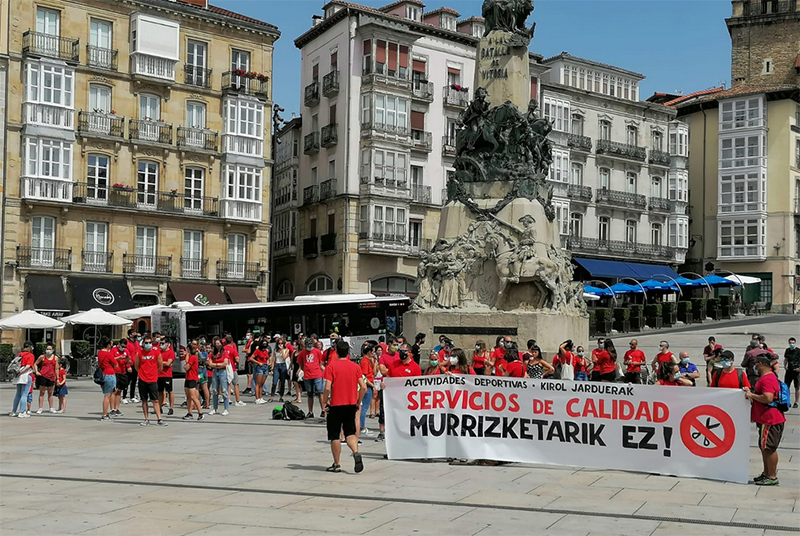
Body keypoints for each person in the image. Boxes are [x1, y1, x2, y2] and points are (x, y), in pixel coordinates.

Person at [322, 339, 367, 473]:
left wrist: (325, 401)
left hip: (335, 405)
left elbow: (328, 388)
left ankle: (337, 464)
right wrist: (358, 401)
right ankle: (355, 451)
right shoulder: (355, 367)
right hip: (350, 404)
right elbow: (363, 387)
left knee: (335, 435)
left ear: (336, 351)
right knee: (350, 432)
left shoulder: (331, 367)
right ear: (348, 352)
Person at [746, 355, 786, 486]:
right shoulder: (766, 378)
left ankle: (772, 476)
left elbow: (768, 398)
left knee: (769, 448)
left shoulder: (767, 379)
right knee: (764, 447)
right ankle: (766, 473)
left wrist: (752, 395)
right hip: (765, 418)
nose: (754, 367)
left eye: (756, 364)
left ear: (761, 364)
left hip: (770, 419)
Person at [136, 335, 166, 426]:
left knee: (155, 400)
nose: (148, 344)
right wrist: (142, 373)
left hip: (153, 379)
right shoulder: (139, 353)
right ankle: (146, 419)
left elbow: (160, 366)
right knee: (144, 400)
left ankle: (159, 418)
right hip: (142, 379)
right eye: (146, 343)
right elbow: (136, 366)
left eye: (150, 343)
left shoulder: (156, 353)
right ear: (143, 343)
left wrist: (155, 374)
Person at [298, 337, 325, 418]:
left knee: (320, 392)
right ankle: (310, 411)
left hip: (317, 374)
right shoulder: (302, 353)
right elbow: (301, 364)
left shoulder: (317, 352)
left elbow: (321, 362)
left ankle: (323, 410)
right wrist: (305, 370)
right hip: (308, 375)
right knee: (310, 394)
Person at [10, 342, 35, 418]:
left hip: (18, 376)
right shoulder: (30, 355)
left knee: (18, 394)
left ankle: (14, 411)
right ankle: (22, 412)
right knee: (24, 394)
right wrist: (21, 372)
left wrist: (18, 373)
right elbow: (28, 366)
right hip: (26, 375)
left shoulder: (20, 354)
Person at [33, 343, 59, 414]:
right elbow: (35, 364)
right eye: (47, 349)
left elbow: (56, 368)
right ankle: (40, 408)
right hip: (43, 376)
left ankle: (51, 407)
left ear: (53, 350)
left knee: (50, 393)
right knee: (42, 392)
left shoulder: (55, 358)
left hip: (51, 376)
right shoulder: (42, 357)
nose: (48, 351)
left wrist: (57, 378)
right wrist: (37, 371)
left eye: (50, 349)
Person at [182, 340, 204, 421]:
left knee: (193, 397)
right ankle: (189, 413)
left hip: (192, 378)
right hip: (188, 378)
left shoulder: (193, 357)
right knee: (188, 397)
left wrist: (187, 355)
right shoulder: (191, 357)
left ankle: (200, 413)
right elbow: (186, 362)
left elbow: (186, 367)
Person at [208, 337, 230, 416]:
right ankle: (215, 408)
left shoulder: (225, 352)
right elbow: (209, 363)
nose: (217, 345)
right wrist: (217, 365)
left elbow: (225, 363)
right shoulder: (213, 353)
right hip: (215, 372)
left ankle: (226, 408)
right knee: (214, 390)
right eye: (216, 344)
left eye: (218, 343)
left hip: (222, 372)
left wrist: (216, 365)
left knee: (224, 390)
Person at [97, 337, 117, 421]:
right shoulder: (109, 354)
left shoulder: (100, 352)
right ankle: (104, 414)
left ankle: (106, 413)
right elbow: (115, 364)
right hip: (110, 374)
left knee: (107, 394)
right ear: (108, 345)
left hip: (103, 374)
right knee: (107, 396)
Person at [359, 342, 376, 435]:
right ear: (369, 352)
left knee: (364, 407)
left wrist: (374, 362)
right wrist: (372, 385)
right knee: (364, 408)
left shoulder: (368, 360)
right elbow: (363, 376)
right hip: (367, 386)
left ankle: (362, 426)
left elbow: (373, 371)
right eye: (373, 351)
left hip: (369, 384)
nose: (374, 353)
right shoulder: (365, 362)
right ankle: (361, 427)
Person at [224, 334, 246, 407]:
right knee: (236, 384)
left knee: (228, 384)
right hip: (232, 369)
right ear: (232, 342)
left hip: (224, 369)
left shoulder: (223, 349)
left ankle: (228, 399)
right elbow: (237, 359)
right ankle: (237, 400)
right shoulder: (233, 349)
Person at [157, 335, 175, 416]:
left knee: (169, 391)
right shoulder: (159, 352)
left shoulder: (171, 352)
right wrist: (163, 363)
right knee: (160, 392)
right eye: (160, 343)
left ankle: (171, 408)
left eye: (163, 343)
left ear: (167, 344)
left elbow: (168, 363)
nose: (161, 345)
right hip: (159, 374)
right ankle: (159, 407)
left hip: (167, 375)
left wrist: (160, 362)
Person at [111, 339, 130, 416]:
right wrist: (119, 357)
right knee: (114, 391)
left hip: (123, 372)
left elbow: (128, 360)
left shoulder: (126, 351)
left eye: (124, 347)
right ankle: (112, 409)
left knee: (119, 391)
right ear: (119, 344)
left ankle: (117, 408)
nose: (123, 348)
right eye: (122, 346)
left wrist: (128, 365)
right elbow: (110, 359)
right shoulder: (113, 350)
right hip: (115, 372)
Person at [249, 338, 270, 404]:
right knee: (258, 383)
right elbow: (251, 358)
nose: (264, 348)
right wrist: (258, 362)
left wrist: (269, 362)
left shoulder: (266, 351)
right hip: (260, 367)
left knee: (262, 384)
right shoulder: (257, 351)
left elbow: (267, 357)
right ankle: (257, 398)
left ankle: (260, 397)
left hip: (266, 367)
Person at [269, 337, 290, 402]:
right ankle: (272, 396)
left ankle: (281, 396)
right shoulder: (275, 350)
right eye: (279, 343)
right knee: (274, 382)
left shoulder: (286, 350)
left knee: (282, 382)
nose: (280, 345)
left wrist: (282, 351)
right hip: (277, 365)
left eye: (281, 343)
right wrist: (271, 369)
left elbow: (284, 357)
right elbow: (273, 359)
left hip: (283, 365)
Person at [125, 329, 141, 403]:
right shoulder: (127, 342)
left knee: (134, 381)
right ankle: (124, 396)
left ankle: (132, 396)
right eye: (133, 333)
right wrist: (128, 365)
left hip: (136, 364)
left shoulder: (136, 342)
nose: (135, 334)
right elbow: (126, 354)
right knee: (127, 380)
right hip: (129, 363)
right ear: (130, 334)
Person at [783, 337, 799, 408]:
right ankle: (788, 401)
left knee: (797, 387)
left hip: (796, 371)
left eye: (792, 343)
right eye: (790, 343)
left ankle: (796, 402)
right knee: (787, 386)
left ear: (795, 343)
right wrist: (785, 366)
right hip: (789, 370)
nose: (791, 344)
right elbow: (786, 359)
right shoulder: (787, 350)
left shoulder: (798, 351)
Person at [243, 331, 254, 395]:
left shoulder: (251, 342)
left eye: (248, 335)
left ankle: (249, 387)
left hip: (250, 359)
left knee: (250, 374)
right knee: (247, 374)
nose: (247, 336)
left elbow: (249, 351)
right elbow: (243, 349)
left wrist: (245, 350)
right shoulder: (247, 342)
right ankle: (248, 386)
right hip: (247, 358)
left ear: (251, 336)